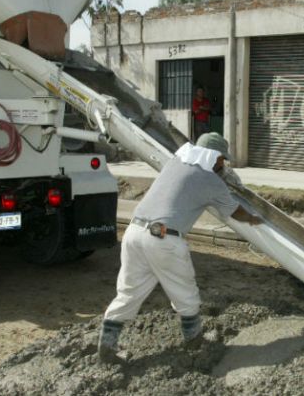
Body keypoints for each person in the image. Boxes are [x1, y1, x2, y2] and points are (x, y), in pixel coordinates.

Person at [97, 133, 262, 364]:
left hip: (134, 234)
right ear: (212, 156)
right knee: (185, 292)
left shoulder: (175, 163)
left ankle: (107, 346)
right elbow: (235, 211)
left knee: (128, 293)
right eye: (221, 159)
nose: (222, 163)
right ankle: (194, 340)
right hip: (164, 239)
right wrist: (255, 219)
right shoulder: (210, 180)